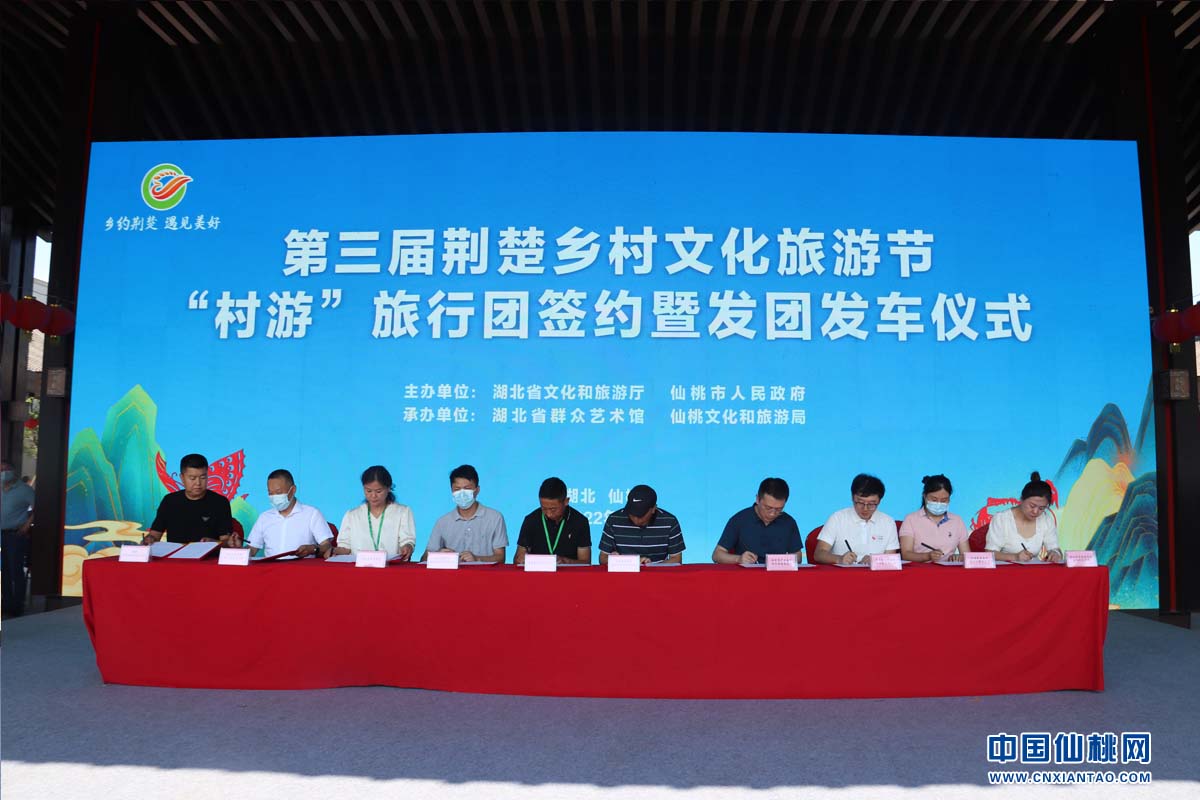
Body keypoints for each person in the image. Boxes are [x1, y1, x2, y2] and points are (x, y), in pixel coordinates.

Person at [141, 453, 233, 545]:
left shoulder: (220, 503)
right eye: (192, 478)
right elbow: (155, 535)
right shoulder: (169, 501)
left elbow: (226, 541)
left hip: (210, 553)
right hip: (176, 554)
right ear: (182, 478)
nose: (198, 483)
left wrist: (213, 543)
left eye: (203, 477)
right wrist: (149, 539)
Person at [422, 465, 507, 562]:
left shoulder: (495, 518)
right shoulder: (443, 522)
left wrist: (477, 559)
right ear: (452, 491)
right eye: (457, 489)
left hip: (484, 572)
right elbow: (423, 558)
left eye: (467, 488)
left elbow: (501, 558)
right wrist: (438, 556)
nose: (462, 493)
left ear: (477, 490)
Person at [242, 469, 334, 558]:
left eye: (278, 492)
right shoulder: (264, 518)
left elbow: (327, 546)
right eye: (270, 493)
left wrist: (313, 549)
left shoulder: (312, 514)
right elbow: (252, 549)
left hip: (301, 568)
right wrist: (237, 550)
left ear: (293, 490)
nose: (274, 497)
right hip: (271, 568)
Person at [331, 465, 415, 560]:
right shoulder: (352, 515)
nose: (373, 496)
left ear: (388, 488)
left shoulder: (402, 512)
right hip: (360, 567)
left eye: (378, 491)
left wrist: (408, 547)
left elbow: (407, 541)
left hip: (391, 567)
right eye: (368, 491)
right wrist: (334, 551)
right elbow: (345, 547)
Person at [712, 477, 802, 564]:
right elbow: (717, 555)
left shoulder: (789, 522)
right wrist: (738, 559)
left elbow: (798, 556)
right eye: (768, 508)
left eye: (779, 509)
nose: (772, 514)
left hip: (777, 573)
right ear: (758, 499)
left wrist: (782, 561)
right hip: (746, 573)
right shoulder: (739, 520)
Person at [813, 473, 899, 565]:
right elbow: (819, 554)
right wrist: (839, 559)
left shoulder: (888, 522)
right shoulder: (838, 518)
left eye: (871, 504)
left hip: (875, 573)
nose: (865, 508)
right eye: (860, 502)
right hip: (843, 573)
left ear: (879, 501)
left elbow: (891, 559)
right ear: (852, 497)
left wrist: (876, 560)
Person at [985, 471, 1064, 562]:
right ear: (1021, 499)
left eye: (1041, 508)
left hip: (1032, 570)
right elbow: (989, 553)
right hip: (1005, 569)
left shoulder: (1046, 520)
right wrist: (1015, 557)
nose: (1035, 511)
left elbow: (1055, 548)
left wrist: (1055, 554)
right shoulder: (1002, 519)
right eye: (1032, 506)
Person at [513, 477, 592, 565]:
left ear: (566, 501)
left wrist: (566, 561)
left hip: (569, 572)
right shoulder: (531, 520)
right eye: (544, 508)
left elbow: (586, 562)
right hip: (537, 572)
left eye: (553, 509)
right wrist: (521, 559)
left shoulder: (580, 522)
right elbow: (517, 558)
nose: (548, 514)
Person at [598, 485, 684, 565]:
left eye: (640, 515)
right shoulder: (614, 520)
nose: (636, 519)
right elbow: (603, 558)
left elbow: (676, 559)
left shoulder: (669, 522)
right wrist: (625, 562)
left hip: (658, 574)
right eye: (632, 513)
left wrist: (651, 567)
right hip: (623, 574)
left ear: (653, 509)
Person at [899, 474, 970, 562]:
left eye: (944, 500)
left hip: (949, 569)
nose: (939, 503)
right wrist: (927, 556)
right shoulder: (911, 519)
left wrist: (959, 557)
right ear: (924, 496)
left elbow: (967, 555)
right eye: (934, 500)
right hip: (920, 569)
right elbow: (906, 554)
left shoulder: (957, 521)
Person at [2, 459, 36, 617]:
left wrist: (27, 525)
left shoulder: (24, 490)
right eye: (0, 470)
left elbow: (38, 507)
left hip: (15, 535)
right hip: (1, 535)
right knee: (4, 571)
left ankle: (17, 605)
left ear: (13, 471)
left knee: (15, 570)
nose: (3, 473)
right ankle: (6, 604)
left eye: (6, 469)